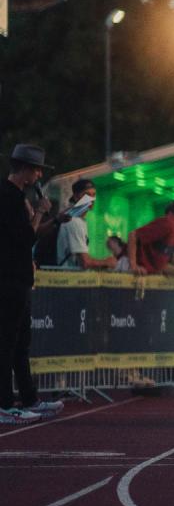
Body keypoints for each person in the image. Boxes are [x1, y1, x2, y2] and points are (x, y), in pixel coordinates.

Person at [2, 145, 62, 424]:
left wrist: (55, 220)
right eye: (37, 170)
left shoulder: (16, 196)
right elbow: (25, 237)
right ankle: (5, 404)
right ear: (25, 169)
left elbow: (31, 235)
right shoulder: (8, 196)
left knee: (20, 344)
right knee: (7, 343)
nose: (39, 176)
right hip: (9, 279)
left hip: (19, 279)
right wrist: (39, 211)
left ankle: (29, 398)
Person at [130, 194, 174, 276]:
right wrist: (133, 266)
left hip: (147, 272)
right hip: (133, 270)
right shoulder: (168, 223)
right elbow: (133, 235)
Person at [56, 179, 116, 270]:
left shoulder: (80, 220)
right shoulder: (73, 221)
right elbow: (85, 263)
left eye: (94, 195)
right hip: (65, 277)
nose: (91, 199)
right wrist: (107, 262)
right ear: (76, 197)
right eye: (87, 195)